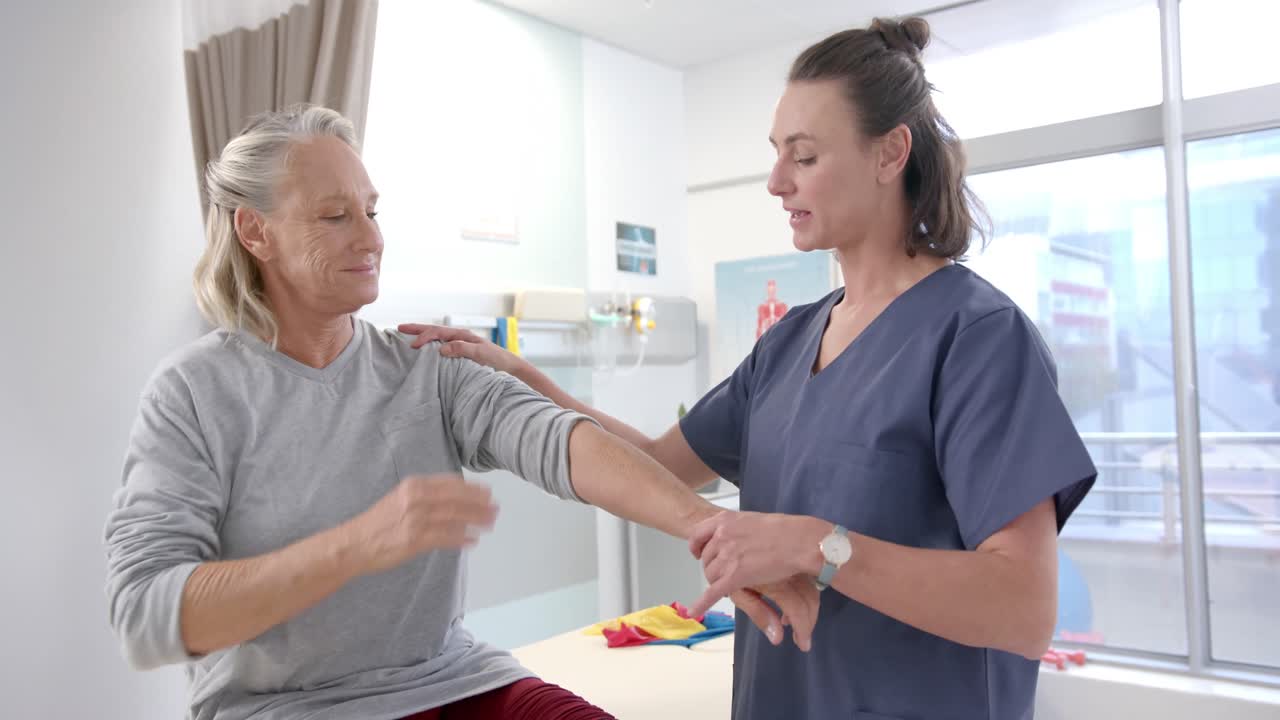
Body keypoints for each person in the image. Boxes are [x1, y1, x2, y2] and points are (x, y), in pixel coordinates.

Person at [401, 16, 1096, 720]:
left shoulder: (976, 337)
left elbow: (1023, 608)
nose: (774, 182)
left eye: (804, 156)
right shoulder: (790, 341)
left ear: (890, 154)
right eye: (776, 154)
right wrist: (520, 378)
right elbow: (655, 466)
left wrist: (817, 546)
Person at [103, 105, 815, 720]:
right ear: (255, 232)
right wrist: (354, 547)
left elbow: (558, 440)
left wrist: (716, 534)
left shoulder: (425, 365)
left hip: (454, 682)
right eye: (334, 216)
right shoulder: (195, 393)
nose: (371, 238)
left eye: (372, 211)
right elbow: (148, 615)